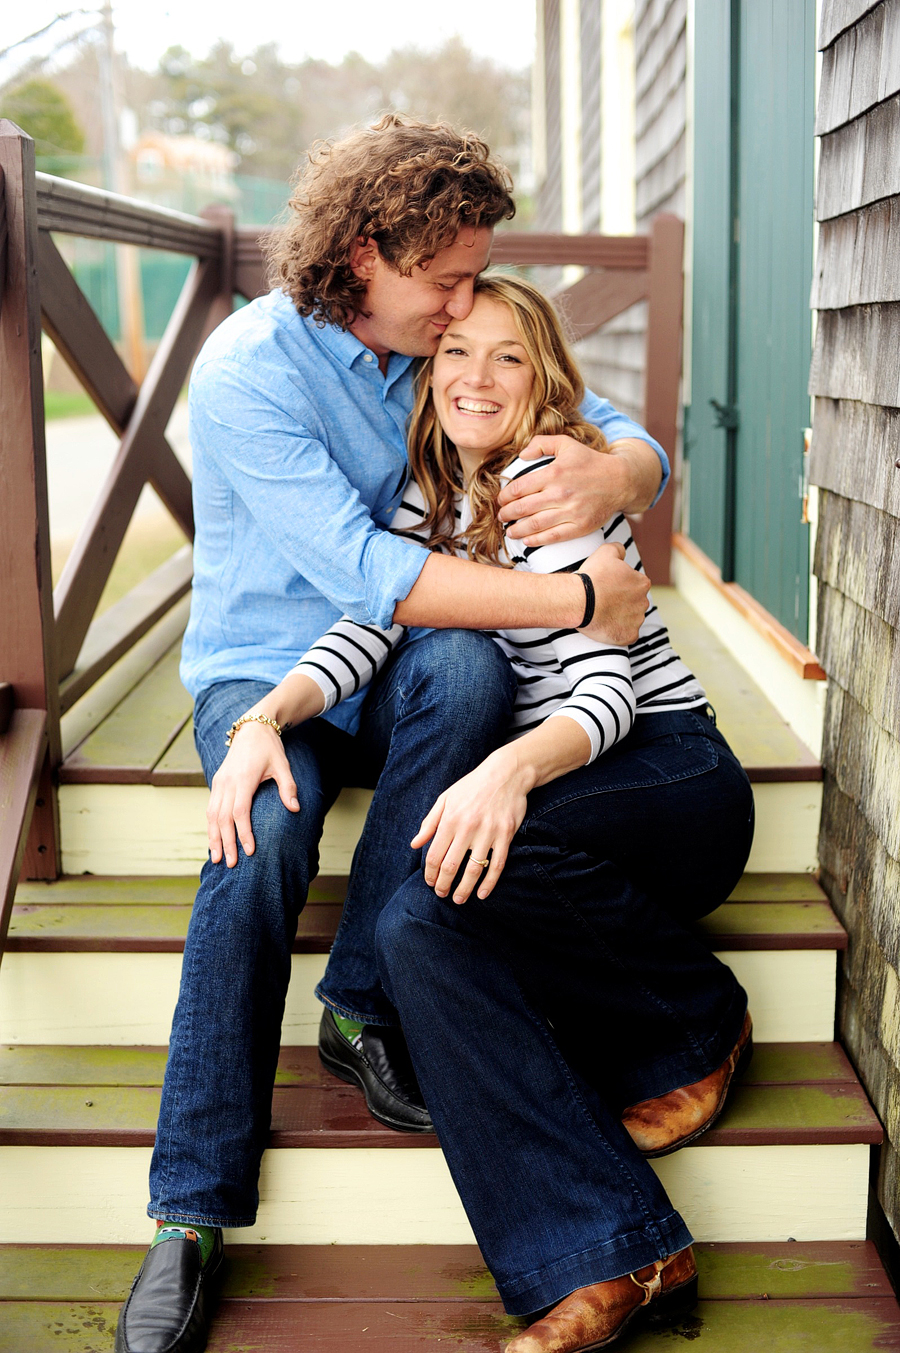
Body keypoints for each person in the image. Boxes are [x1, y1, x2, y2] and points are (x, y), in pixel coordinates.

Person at [114, 117, 669, 1353]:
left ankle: (359, 1002)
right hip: (278, 674)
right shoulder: (251, 369)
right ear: (366, 254)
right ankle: (188, 1215)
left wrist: (616, 483)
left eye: (478, 279)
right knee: (257, 847)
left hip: (420, 660)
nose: (468, 302)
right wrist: (586, 601)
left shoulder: (450, 347)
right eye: (449, 278)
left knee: (468, 671)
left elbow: (621, 429)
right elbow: (376, 577)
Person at [209, 275, 755, 1353]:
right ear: (425, 370)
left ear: (545, 377)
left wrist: (504, 771)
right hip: (565, 796)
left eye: (508, 356)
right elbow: (371, 630)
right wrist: (267, 714)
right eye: (457, 351)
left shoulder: (554, 483)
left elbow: (610, 693)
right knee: (416, 925)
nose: (476, 376)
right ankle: (612, 1250)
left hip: (667, 779)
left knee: (454, 876)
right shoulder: (429, 502)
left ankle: (692, 1021)